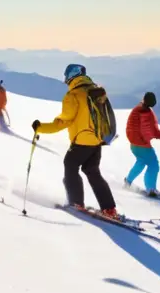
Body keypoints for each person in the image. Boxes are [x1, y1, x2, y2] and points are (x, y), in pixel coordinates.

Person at [31, 64, 119, 219]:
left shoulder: (73, 96)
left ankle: (76, 203)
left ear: (70, 77)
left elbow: (63, 122)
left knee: (70, 166)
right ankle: (109, 209)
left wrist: (40, 128)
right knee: (92, 171)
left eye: (66, 77)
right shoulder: (95, 91)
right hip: (97, 141)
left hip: (81, 142)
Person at [124, 92, 160, 197]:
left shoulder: (138, 109)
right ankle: (151, 189)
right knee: (153, 165)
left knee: (141, 162)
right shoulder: (145, 113)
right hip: (142, 145)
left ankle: (128, 181)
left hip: (134, 143)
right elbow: (154, 132)